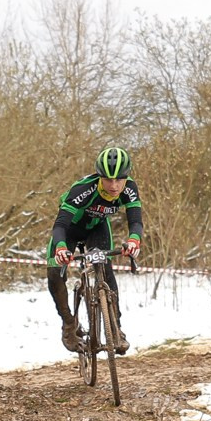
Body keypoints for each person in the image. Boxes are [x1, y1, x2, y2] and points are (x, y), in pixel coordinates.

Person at [47, 147, 144, 355]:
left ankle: (116, 329)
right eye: (108, 179)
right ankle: (69, 326)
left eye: (119, 179)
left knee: (107, 270)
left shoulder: (129, 189)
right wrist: (62, 248)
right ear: (100, 177)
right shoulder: (83, 189)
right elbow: (60, 226)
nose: (114, 185)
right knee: (54, 273)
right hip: (70, 229)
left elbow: (135, 221)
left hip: (97, 228)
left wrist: (134, 241)